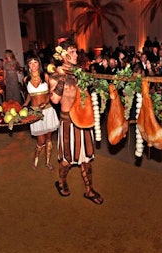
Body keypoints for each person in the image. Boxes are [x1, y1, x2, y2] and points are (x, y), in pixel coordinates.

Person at [49, 39, 103, 205]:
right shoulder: (55, 76)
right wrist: (62, 79)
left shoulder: (80, 72)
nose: (75, 55)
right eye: (71, 52)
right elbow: (55, 100)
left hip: (84, 120)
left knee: (86, 157)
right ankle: (61, 181)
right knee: (67, 159)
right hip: (67, 122)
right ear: (63, 55)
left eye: (75, 51)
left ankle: (89, 189)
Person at [22, 55, 59, 170]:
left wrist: (45, 103)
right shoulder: (25, 79)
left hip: (48, 110)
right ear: (28, 65)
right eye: (30, 63)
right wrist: (25, 104)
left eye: (35, 62)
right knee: (40, 140)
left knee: (48, 139)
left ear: (39, 64)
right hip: (35, 112)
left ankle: (48, 162)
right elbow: (29, 94)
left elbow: (51, 93)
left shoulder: (46, 76)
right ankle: (36, 158)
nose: (33, 65)